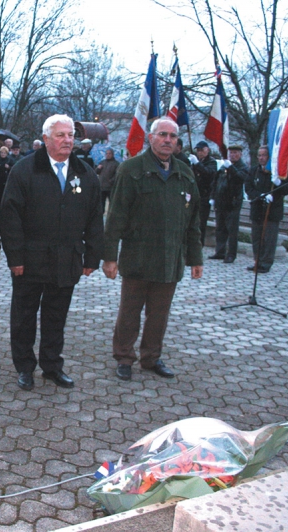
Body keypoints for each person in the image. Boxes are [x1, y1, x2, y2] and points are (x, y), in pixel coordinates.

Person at [0, 114, 104, 390]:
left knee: (56, 316)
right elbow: (9, 218)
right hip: (30, 260)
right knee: (24, 316)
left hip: (67, 259)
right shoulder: (24, 170)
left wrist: (92, 257)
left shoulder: (85, 173)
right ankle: (24, 366)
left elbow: (95, 217)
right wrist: (15, 258)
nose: (68, 140)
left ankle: (52, 366)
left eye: (70, 135)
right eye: (61, 135)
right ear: (45, 139)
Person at [102, 118, 203, 381]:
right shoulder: (131, 169)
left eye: (172, 136)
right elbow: (116, 217)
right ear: (151, 138)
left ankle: (151, 358)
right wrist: (110, 257)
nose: (168, 140)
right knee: (129, 313)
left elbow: (193, 221)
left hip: (170, 260)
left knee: (159, 315)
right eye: (162, 135)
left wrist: (196, 258)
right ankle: (124, 357)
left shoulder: (185, 173)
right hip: (138, 257)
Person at [245, 145, 288, 274]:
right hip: (258, 209)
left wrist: (278, 185)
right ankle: (257, 261)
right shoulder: (254, 170)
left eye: (264, 155)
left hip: (272, 211)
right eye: (259, 155)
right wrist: (260, 196)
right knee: (257, 238)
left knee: (269, 239)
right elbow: (248, 187)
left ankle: (266, 263)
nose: (261, 158)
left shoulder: (278, 172)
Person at [208, 144, 248, 263]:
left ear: (240, 154)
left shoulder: (242, 167)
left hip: (233, 202)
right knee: (220, 228)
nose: (233, 155)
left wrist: (231, 167)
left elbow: (240, 178)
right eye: (231, 153)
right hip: (221, 201)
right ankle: (220, 252)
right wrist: (213, 196)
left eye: (235, 153)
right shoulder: (223, 167)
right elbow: (216, 182)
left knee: (232, 230)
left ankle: (231, 254)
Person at [187, 140, 218, 247]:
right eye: (198, 151)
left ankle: (199, 244)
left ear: (207, 150)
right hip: (194, 195)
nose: (199, 153)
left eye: (202, 150)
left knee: (201, 222)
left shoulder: (211, 162)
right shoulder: (196, 162)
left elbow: (208, 173)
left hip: (204, 196)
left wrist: (197, 164)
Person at [96, 148, 119, 215]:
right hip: (102, 186)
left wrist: (111, 181)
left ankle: (111, 215)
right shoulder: (102, 162)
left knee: (112, 202)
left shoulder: (116, 164)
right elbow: (96, 172)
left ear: (112, 154)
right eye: (107, 153)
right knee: (101, 203)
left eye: (109, 153)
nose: (108, 155)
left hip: (110, 187)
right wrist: (98, 168)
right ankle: (100, 215)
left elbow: (117, 175)